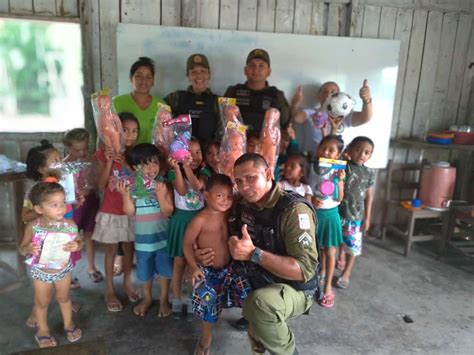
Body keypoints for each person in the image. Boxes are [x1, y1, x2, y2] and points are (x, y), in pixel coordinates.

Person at [220, 153, 319, 354]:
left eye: (251, 178)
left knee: (260, 305)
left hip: (295, 288)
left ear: (268, 174)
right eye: (239, 181)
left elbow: (304, 270)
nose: (244, 186)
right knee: (258, 335)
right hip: (261, 280)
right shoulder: (243, 206)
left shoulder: (294, 210)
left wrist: (253, 254)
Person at [183, 174, 251, 355]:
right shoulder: (200, 220)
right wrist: (193, 266)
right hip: (207, 273)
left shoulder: (230, 213)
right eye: (219, 195)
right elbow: (186, 244)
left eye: (228, 196)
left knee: (247, 296)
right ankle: (206, 338)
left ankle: (253, 328)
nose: (225, 200)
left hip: (230, 268)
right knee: (209, 308)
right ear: (206, 195)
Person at [22, 140, 81, 329]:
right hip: (45, 239)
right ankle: (37, 309)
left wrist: (74, 200)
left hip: (65, 235)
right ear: (41, 169)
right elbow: (25, 215)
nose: (60, 163)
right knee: (42, 293)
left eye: (60, 158)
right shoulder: (35, 192)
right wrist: (43, 210)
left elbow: (69, 205)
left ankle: (64, 301)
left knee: (64, 269)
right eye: (54, 161)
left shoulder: (63, 183)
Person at [19, 178, 83, 348]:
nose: (61, 207)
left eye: (62, 202)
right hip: (41, 272)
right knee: (42, 302)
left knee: (64, 297)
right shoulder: (33, 227)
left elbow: (79, 241)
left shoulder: (69, 224)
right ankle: (43, 330)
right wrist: (29, 249)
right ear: (39, 209)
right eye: (54, 205)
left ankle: (69, 324)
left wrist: (77, 245)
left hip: (63, 269)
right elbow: (22, 248)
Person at [117, 143, 174, 317]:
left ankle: (164, 299)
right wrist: (125, 196)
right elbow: (129, 212)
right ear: (135, 167)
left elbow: (168, 211)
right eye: (145, 164)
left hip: (163, 239)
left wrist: (161, 196)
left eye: (154, 163)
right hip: (142, 242)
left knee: (165, 271)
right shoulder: (132, 187)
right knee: (144, 272)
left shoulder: (162, 184)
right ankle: (147, 298)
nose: (151, 168)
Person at [92, 112, 140, 312]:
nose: (130, 135)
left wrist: (127, 163)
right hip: (110, 211)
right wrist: (111, 162)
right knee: (111, 250)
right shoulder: (104, 152)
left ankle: (128, 283)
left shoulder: (137, 154)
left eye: (135, 131)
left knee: (129, 248)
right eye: (125, 130)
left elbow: (143, 183)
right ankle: (109, 289)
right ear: (115, 131)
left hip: (130, 211)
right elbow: (101, 185)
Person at [167, 137, 210, 314]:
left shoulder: (204, 172)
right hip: (181, 221)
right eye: (189, 153)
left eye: (198, 152)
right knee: (179, 263)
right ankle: (176, 298)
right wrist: (178, 168)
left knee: (196, 264)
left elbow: (198, 186)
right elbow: (182, 190)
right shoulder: (172, 172)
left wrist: (186, 166)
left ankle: (194, 297)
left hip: (199, 222)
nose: (193, 157)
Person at [309, 135, 345, 308]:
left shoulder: (338, 171)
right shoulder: (311, 167)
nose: (326, 152)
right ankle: (311, 282)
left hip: (330, 215)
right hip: (313, 215)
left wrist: (339, 180)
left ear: (338, 154)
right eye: (323, 148)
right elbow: (307, 189)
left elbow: (340, 198)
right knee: (313, 250)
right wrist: (311, 199)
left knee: (330, 252)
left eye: (331, 150)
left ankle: (328, 287)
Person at [291, 80, 373, 156]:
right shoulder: (311, 112)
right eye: (325, 92)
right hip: (311, 161)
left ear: (339, 96)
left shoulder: (344, 114)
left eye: (333, 92)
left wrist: (367, 101)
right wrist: (295, 103)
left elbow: (365, 118)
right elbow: (296, 118)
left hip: (335, 164)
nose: (328, 95)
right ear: (319, 95)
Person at [63, 128, 103, 283]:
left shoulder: (92, 160)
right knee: (69, 238)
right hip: (72, 206)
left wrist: (91, 185)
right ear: (67, 147)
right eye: (77, 150)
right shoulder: (63, 165)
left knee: (90, 235)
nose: (81, 153)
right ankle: (68, 273)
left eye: (85, 148)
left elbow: (98, 180)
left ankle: (91, 267)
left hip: (91, 202)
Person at [336, 136, 375, 289]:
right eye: (357, 150)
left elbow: (369, 196)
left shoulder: (369, 173)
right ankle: (340, 257)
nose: (361, 155)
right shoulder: (343, 167)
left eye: (366, 152)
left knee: (353, 246)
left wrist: (368, 217)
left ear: (370, 155)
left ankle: (347, 273)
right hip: (337, 212)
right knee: (336, 240)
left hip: (355, 216)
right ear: (350, 150)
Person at [224, 49, 290, 134]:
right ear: (245, 70)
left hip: (267, 144)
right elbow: (223, 121)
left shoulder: (277, 95)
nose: (256, 69)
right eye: (252, 65)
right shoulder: (232, 91)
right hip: (238, 143)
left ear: (268, 72)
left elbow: (284, 125)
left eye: (261, 66)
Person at [165, 54, 220, 145]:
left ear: (209, 75)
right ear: (188, 76)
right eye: (194, 72)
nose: (199, 76)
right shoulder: (175, 97)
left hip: (208, 154)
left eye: (203, 71)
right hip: (181, 153)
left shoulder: (218, 101)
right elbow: (161, 120)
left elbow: (223, 132)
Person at [113, 57, 166, 144]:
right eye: (139, 76)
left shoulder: (162, 106)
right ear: (131, 78)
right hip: (122, 156)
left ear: (153, 81)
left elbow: (165, 138)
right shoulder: (116, 103)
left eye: (148, 77)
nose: (144, 80)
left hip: (151, 156)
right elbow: (105, 134)